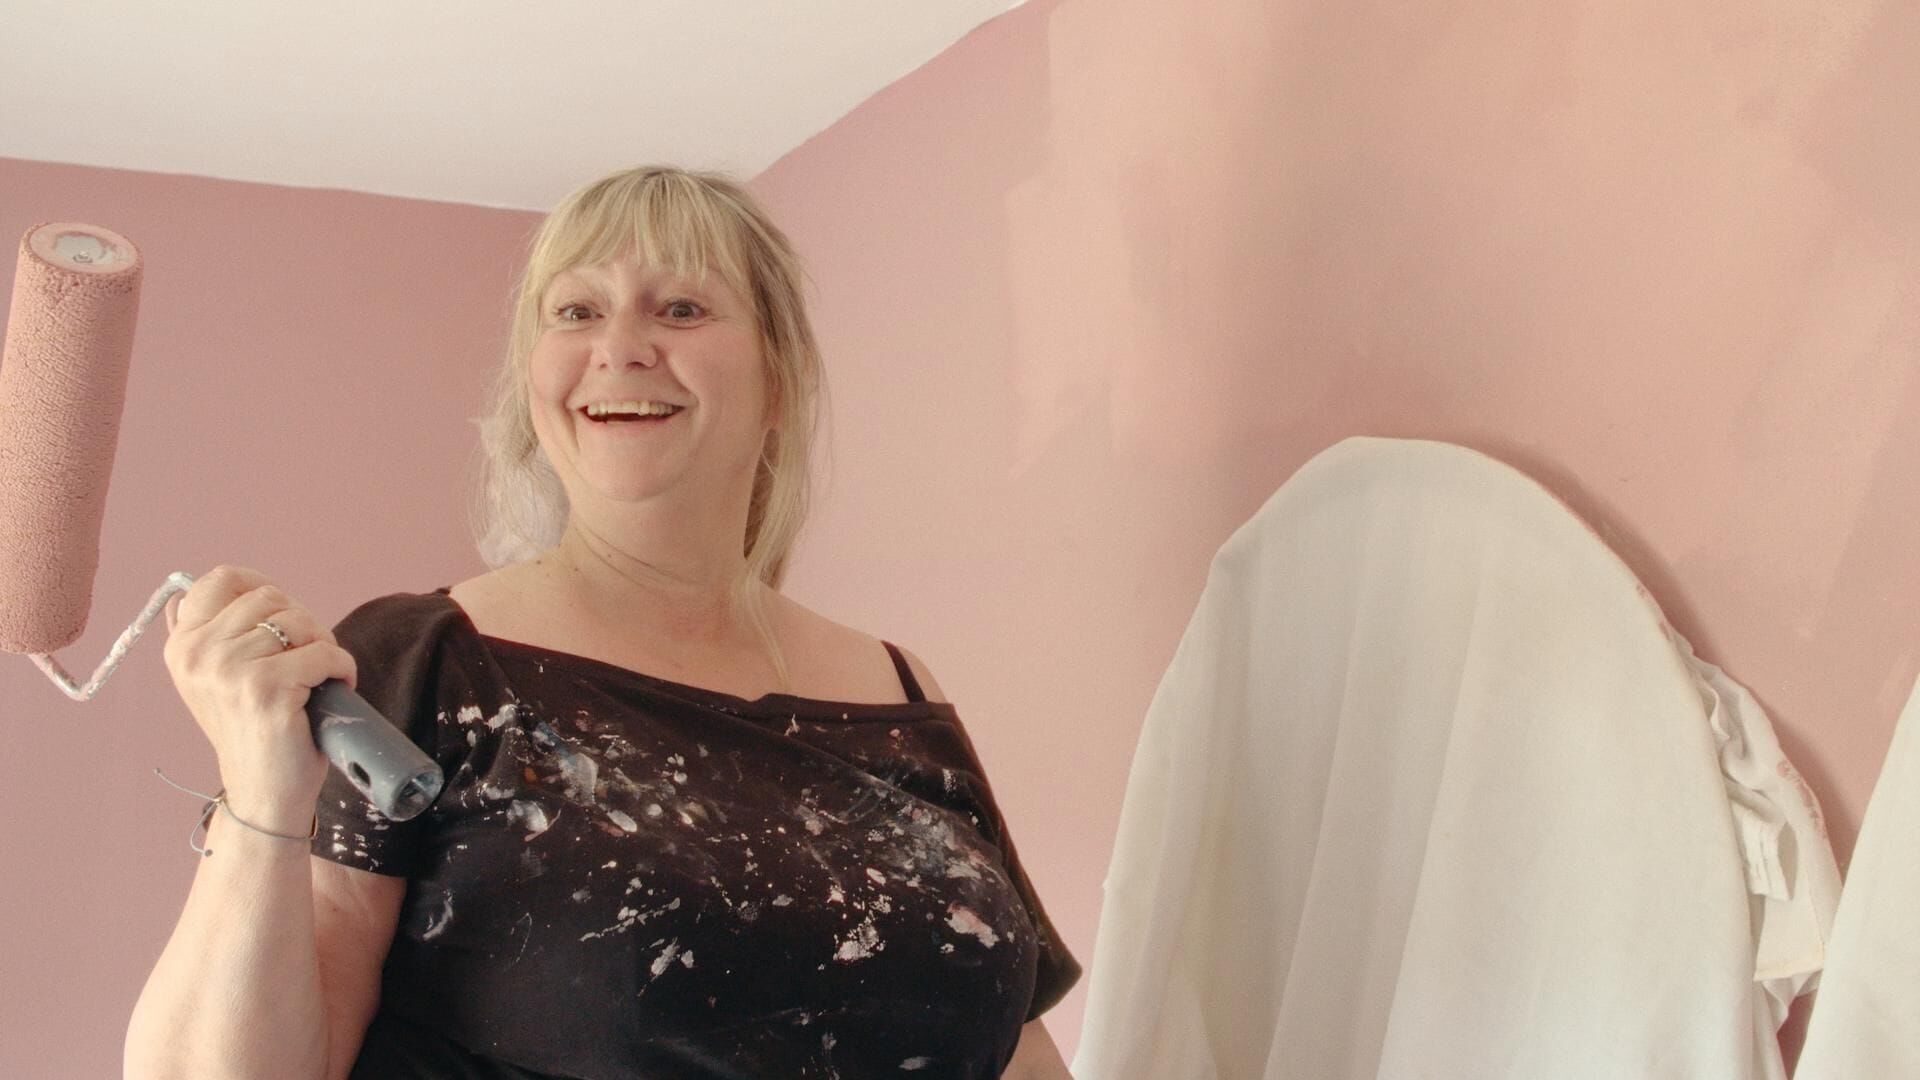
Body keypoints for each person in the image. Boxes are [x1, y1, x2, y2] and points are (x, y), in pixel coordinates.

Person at [125, 165, 1080, 1079]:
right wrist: (260, 788)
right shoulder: (425, 662)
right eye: (576, 312)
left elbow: (1021, 1058)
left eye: (681, 308)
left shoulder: (899, 691)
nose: (619, 347)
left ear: (781, 378)